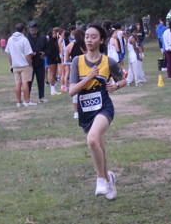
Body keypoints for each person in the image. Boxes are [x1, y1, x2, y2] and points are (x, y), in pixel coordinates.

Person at [67, 24, 126, 200]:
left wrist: (116, 86)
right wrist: (89, 77)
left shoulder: (109, 61)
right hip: (86, 111)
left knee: (92, 140)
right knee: (99, 148)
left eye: (93, 37)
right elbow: (72, 91)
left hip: (104, 108)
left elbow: (123, 80)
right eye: (87, 36)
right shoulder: (77, 61)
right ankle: (109, 179)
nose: (89, 40)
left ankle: (100, 179)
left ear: (101, 40)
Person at [6, 23, 35, 107]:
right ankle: (27, 101)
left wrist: (11, 64)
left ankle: (18, 102)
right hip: (24, 64)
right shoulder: (24, 39)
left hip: (15, 65)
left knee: (17, 83)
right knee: (25, 83)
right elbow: (27, 55)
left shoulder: (10, 39)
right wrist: (30, 64)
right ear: (23, 30)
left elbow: (9, 54)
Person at [26, 21, 48, 103]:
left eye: (35, 27)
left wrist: (44, 53)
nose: (33, 29)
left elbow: (48, 48)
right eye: (32, 27)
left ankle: (41, 97)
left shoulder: (43, 37)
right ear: (29, 28)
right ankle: (27, 98)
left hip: (40, 62)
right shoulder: (26, 38)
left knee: (41, 80)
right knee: (29, 81)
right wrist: (30, 54)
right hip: (30, 63)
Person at [65, 28, 85, 118]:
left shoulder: (70, 46)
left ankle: (76, 112)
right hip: (85, 68)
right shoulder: (85, 45)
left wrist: (73, 61)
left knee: (75, 89)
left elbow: (66, 59)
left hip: (76, 69)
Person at [45, 27, 62, 96]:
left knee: (54, 74)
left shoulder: (55, 42)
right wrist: (55, 57)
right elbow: (49, 52)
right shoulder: (49, 42)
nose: (54, 35)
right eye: (53, 34)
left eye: (55, 33)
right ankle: (52, 90)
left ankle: (53, 89)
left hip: (55, 59)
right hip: (51, 60)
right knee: (52, 74)